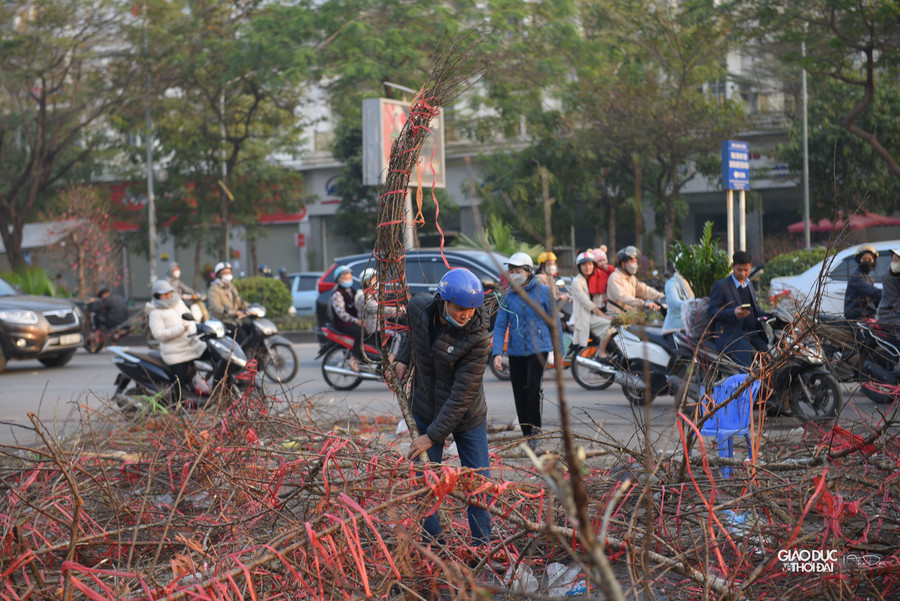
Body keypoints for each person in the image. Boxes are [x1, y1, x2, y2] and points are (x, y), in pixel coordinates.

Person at [394, 268, 492, 546]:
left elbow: (461, 396)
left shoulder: (478, 338)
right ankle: (434, 545)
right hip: (425, 407)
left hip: (467, 415)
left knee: (478, 481)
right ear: (442, 300)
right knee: (424, 480)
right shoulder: (419, 308)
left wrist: (432, 436)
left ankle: (481, 546)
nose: (466, 315)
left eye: (471, 309)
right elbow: (414, 334)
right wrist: (403, 359)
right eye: (460, 308)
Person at [492, 253, 561, 448]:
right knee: (519, 392)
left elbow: (555, 322)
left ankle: (536, 430)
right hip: (515, 351)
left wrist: (558, 351)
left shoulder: (543, 292)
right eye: (512, 271)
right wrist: (497, 353)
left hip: (539, 347)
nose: (515, 274)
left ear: (529, 271)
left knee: (532, 387)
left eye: (519, 271)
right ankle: (526, 434)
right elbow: (500, 325)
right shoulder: (507, 294)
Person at [147, 280, 206, 402]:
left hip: (192, 346)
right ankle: (175, 407)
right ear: (157, 296)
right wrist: (179, 329)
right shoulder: (155, 312)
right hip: (176, 353)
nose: (169, 295)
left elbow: (189, 317)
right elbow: (158, 334)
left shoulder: (178, 302)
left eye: (170, 292)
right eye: (165, 294)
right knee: (179, 385)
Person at [708, 250, 768, 368]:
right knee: (745, 367)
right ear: (732, 266)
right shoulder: (721, 286)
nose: (743, 274)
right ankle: (744, 380)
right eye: (739, 270)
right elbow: (713, 311)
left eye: (746, 270)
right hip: (731, 335)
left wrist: (770, 315)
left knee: (769, 358)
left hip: (752, 333)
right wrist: (733, 313)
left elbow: (755, 308)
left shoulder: (749, 284)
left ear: (751, 266)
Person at [569, 251, 613, 360]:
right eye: (584, 265)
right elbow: (588, 304)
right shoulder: (577, 282)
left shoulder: (596, 277)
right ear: (579, 267)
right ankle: (601, 352)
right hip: (586, 316)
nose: (587, 267)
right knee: (611, 325)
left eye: (590, 264)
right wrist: (604, 316)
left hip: (597, 312)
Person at [355, 267, 405, 360]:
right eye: (375, 280)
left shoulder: (373, 295)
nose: (377, 282)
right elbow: (379, 309)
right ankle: (389, 361)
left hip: (378, 327)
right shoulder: (364, 297)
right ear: (367, 282)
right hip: (372, 330)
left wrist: (399, 314)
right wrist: (399, 310)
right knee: (397, 337)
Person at [606, 246, 664, 317]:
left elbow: (644, 290)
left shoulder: (631, 278)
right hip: (616, 315)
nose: (635, 265)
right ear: (623, 264)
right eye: (632, 262)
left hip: (629, 315)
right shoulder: (615, 277)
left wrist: (661, 296)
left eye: (636, 262)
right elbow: (623, 297)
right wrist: (643, 303)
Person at [330, 265, 364, 371]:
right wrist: (357, 321)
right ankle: (353, 358)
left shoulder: (352, 291)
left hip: (352, 321)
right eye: (345, 278)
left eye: (349, 277)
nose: (348, 280)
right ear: (338, 280)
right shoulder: (337, 294)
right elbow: (342, 314)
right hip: (343, 324)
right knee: (361, 332)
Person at [844, 244, 882, 321]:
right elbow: (871, 290)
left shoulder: (870, 278)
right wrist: (889, 293)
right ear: (859, 260)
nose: (868, 261)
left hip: (868, 315)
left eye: (870, 259)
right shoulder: (856, 277)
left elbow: (873, 300)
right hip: (857, 317)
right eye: (865, 259)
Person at [662, 267, 695, 335]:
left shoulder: (692, 282)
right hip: (674, 329)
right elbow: (674, 302)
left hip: (692, 328)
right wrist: (694, 305)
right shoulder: (671, 283)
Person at [876, 249, 900, 334]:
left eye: (897, 260)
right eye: (894, 260)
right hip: (888, 314)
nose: (895, 263)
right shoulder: (887, 276)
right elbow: (896, 302)